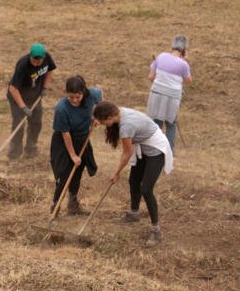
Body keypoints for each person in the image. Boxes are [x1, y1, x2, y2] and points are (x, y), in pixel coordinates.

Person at [92, 101, 173, 247]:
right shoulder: (118, 111)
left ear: (110, 118)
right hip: (143, 147)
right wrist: (96, 120)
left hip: (156, 150)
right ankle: (133, 214)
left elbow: (127, 153)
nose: (104, 126)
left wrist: (116, 173)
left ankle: (156, 230)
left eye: (103, 123)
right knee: (133, 181)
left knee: (146, 189)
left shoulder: (126, 126)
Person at [50, 76, 101, 214]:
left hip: (82, 138)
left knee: (78, 171)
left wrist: (96, 116)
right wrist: (72, 155)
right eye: (71, 97)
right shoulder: (62, 109)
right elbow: (65, 134)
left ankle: (73, 206)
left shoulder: (92, 95)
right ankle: (55, 207)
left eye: (77, 97)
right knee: (64, 174)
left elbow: (99, 96)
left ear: (83, 92)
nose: (74, 100)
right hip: (63, 142)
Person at [6, 43, 56, 160]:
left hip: (34, 96)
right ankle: (14, 154)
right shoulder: (23, 64)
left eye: (38, 62)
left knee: (36, 123)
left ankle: (30, 148)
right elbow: (13, 88)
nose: (35, 64)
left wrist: (45, 86)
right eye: (33, 60)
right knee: (19, 125)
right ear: (30, 56)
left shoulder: (47, 58)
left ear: (43, 58)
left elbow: (50, 70)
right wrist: (23, 107)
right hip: (18, 97)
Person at [147, 35, 192, 151]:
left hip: (156, 92)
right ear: (184, 50)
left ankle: (152, 150)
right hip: (172, 96)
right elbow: (188, 81)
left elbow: (151, 76)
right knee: (171, 124)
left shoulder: (161, 56)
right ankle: (168, 153)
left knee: (156, 122)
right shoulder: (183, 64)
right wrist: (186, 61)